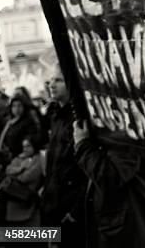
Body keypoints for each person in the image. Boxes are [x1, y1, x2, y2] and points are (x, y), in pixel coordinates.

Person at [73, 119, 145, 248]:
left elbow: (111, 177)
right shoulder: (115, 123)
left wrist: (82, 145)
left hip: (129, 228)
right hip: (121, 224)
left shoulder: (125, 125)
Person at [40, 71, 87, 248]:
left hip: (70, 207)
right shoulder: (55, 116)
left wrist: (76, 210)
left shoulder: (80, 118)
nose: (51, 84)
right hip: (53, 202)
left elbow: (85, 168)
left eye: (58, 80)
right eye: (50, 80)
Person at [0, 135, 43, 226]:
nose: (25, 149)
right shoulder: (21, 157)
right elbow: (8, 169)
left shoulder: (38, 159)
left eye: (28, 146)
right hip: (13, 198)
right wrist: (21, 167)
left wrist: (12, 176)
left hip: (25, 198)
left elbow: (25, 177)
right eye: (24, 146)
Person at [0, 95, 39, 166]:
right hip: (5, 155)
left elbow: (30, 139)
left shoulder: (28, 122)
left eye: (19, 106)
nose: (16, 109)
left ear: (24, 107)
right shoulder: (9, 121)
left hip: (18, 157)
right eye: (14, 106)